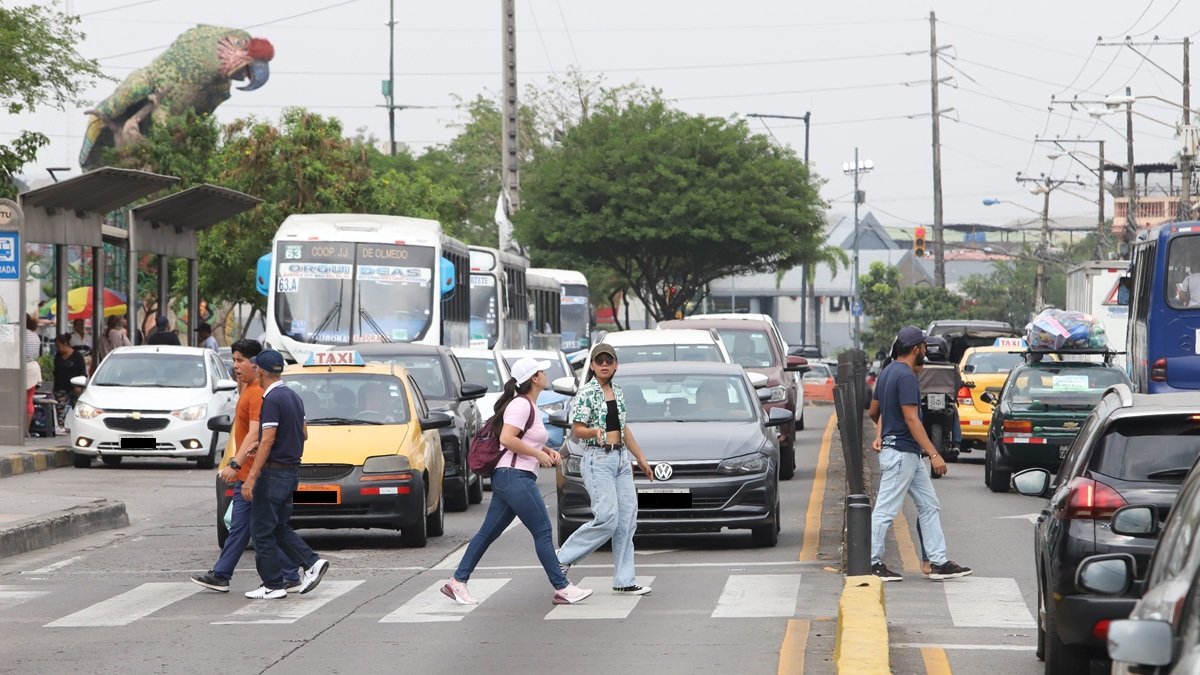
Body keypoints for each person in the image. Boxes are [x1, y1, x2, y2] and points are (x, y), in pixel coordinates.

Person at [442, 357, 594, 606]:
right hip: (515, 477)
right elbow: (507, 439)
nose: (545, 374)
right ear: (534, 378)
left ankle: (458, 581)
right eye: (542, 371)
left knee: (487, 533)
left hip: (510, 478)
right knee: (543, 531)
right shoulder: (521, 405)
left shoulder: (527, 405)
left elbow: (525, 437)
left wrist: (545, 449)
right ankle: (563, 587)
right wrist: (537, 455)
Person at [191, 339, 301, 594]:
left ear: (256, 365)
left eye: (240, 360)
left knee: (260, 528)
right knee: (244, 526)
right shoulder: (249, 390)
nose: (235, 365)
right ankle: (224, 573)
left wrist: (235, 464)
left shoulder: (258, 395)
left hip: (256, 473)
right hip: (249, 474)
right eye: (234, 359)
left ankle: (295, 569)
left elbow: (257, 434)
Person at [867, 326, 972, 582]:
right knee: (885, 510)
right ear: (916, 349)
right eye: (923, 346)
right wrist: (934, 454)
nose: (925, 351)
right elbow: (912, 420)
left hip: (906, 454)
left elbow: (873, 412)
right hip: (902, 453)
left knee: (929, 505)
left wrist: (881, 433)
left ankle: (936, 562)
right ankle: (870, 562)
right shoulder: (906, 377)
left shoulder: (888, 372)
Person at [556, 342, 655, 596]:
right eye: (599, 361)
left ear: (615, 365)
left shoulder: (618, 392)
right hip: (597, 460)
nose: (603, 365)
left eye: (608, 361)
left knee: (626, 521)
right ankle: (561, 559)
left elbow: (624, 429)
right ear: (592, 365)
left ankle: (624, 580)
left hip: (621, 460)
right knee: (607, 518)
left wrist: (641, 458)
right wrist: (594, 431)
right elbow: (577, 428)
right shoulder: (587, 392)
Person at [241, 349, 329, 600]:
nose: (254, 371)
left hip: (273, 475)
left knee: (261, 532)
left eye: (256, 368)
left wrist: (251, 477)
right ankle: (311, 562)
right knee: (278, 526)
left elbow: (268, 439)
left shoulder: (271, 400)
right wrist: (268, 443)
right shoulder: (293, 396)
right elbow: (303, 433)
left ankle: (273, 584)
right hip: (291, 472)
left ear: (262, 372)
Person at [52, 333, 87, 431]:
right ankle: (61, 426)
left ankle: (81, 427)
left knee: (77, 408)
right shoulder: (58, 356)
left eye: (58, 346)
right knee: (60, 408)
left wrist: (79, 386)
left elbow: (82, 372)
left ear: (65, 344)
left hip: (74, 387)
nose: (57, 349)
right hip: (61, 387)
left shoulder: (77, 357)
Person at [24, 314, 42, 431]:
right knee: (29, 399)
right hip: (34, 368)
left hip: (23, 368)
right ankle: (26, 429)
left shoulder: (21, 334)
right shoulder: (35, 335)